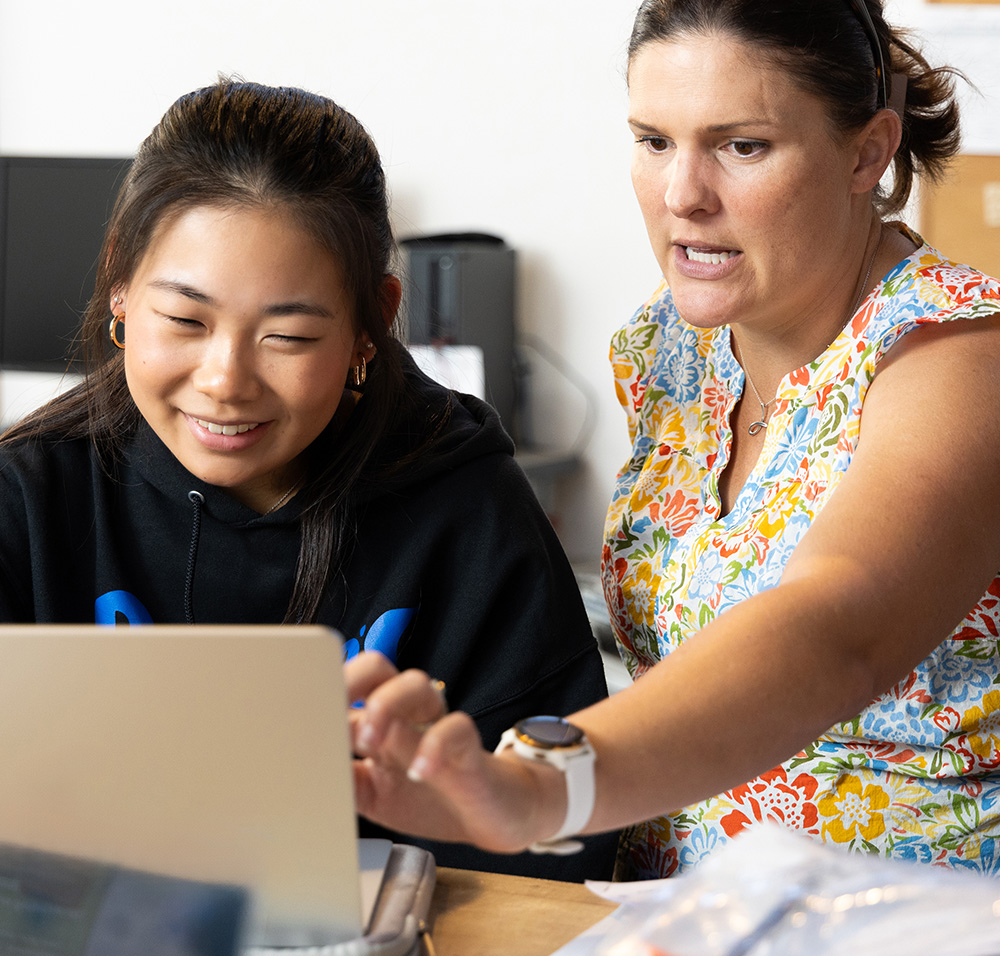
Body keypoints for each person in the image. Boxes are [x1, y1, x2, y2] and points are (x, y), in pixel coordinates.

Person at [347, 0, 1000, 879]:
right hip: (676, 926)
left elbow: (835, 626)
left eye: (742, 147)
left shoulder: (959, 352)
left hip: (907, 940)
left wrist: (542, 785)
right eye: (654, 141)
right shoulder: (676, 348)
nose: (681, 195)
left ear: (868, 152)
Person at [0, 79, 619, 881]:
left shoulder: (467, 509)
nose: (225, 379)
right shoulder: (30, 500)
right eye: (185, 320)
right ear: (120, 282)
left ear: (371, 323)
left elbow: (563, 850)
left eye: (287, 335)